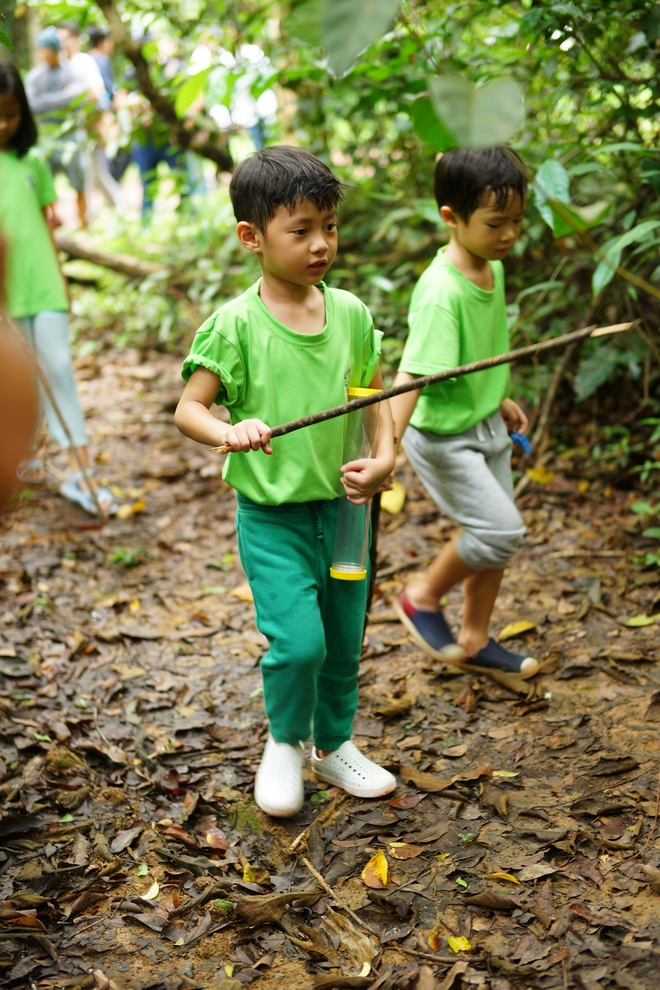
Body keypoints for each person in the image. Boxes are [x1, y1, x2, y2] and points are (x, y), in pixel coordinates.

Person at [175, 146, 397, 817]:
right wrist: (229, 431)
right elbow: (189, 409)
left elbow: (370, 395)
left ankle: (331, 746)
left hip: (348, 511)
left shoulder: (351, 314)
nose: (321, 244)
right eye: (300, 231)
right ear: (252, 236)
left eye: (329, 226)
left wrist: (385, 455)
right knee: (299, 641)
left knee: (341, 635)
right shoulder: (236, 325)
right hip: (274, 517)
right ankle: (282, 744)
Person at [391, 146, 539, 679]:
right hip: (442, 435)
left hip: (483, 422)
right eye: (496, 223)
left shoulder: (489, 269)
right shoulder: (441, 291)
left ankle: (475, 639)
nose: (509, 235)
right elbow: (415, 371)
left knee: (493, 539)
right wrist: (387, 445)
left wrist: (494, 395)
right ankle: (422, 597)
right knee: (499, 531)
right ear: (451, 219)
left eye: (518, 221)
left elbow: (469, 356)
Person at [0, 59, 116, 515]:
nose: (3, 123)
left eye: (10, 113)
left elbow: (48, 226)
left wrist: (63, 281)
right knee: (20, 379)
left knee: (60, 370)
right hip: (6, 294)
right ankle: (25, 459)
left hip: (43, 285)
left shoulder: (33, 161)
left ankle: (80, 472)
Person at [25, 27, 91, 227]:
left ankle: (83, 223)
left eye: (47, 49)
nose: (43, 54)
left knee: (78, 181)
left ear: (55, 50)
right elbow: (33, 105)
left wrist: (47, 101)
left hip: (72, 136)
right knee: (45, 182)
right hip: (46, 136)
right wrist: (63, 97)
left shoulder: (74, 72)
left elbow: (79, 97)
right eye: (41, 50)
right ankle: (53, 220)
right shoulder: (35, 77)